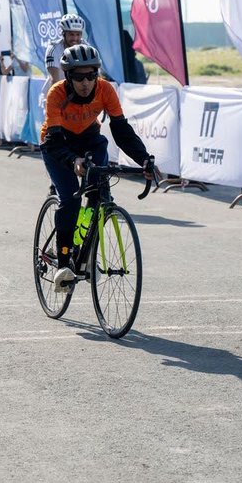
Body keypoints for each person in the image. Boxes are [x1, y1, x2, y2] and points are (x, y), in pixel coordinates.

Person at [39, 44, 155, 292]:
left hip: (89, 139)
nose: (86, 82)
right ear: (68, 76)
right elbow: (55, 140)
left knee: (98, 194)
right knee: (70, 199)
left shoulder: (105, 89)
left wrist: (143, 159)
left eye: (91, 75)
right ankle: (63, 262)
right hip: (57, 144)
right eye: (79, 76)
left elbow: (122, 131)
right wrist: (73, 161)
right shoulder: (57, 94)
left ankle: (84, 246)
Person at [44, 14, 88, 88]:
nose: (75, 38)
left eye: (78, 34)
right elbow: (55, 79)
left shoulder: (86, 47)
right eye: (71, 34)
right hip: (57, 91)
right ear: (63, 34)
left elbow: (95, 76)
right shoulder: (53, 48)